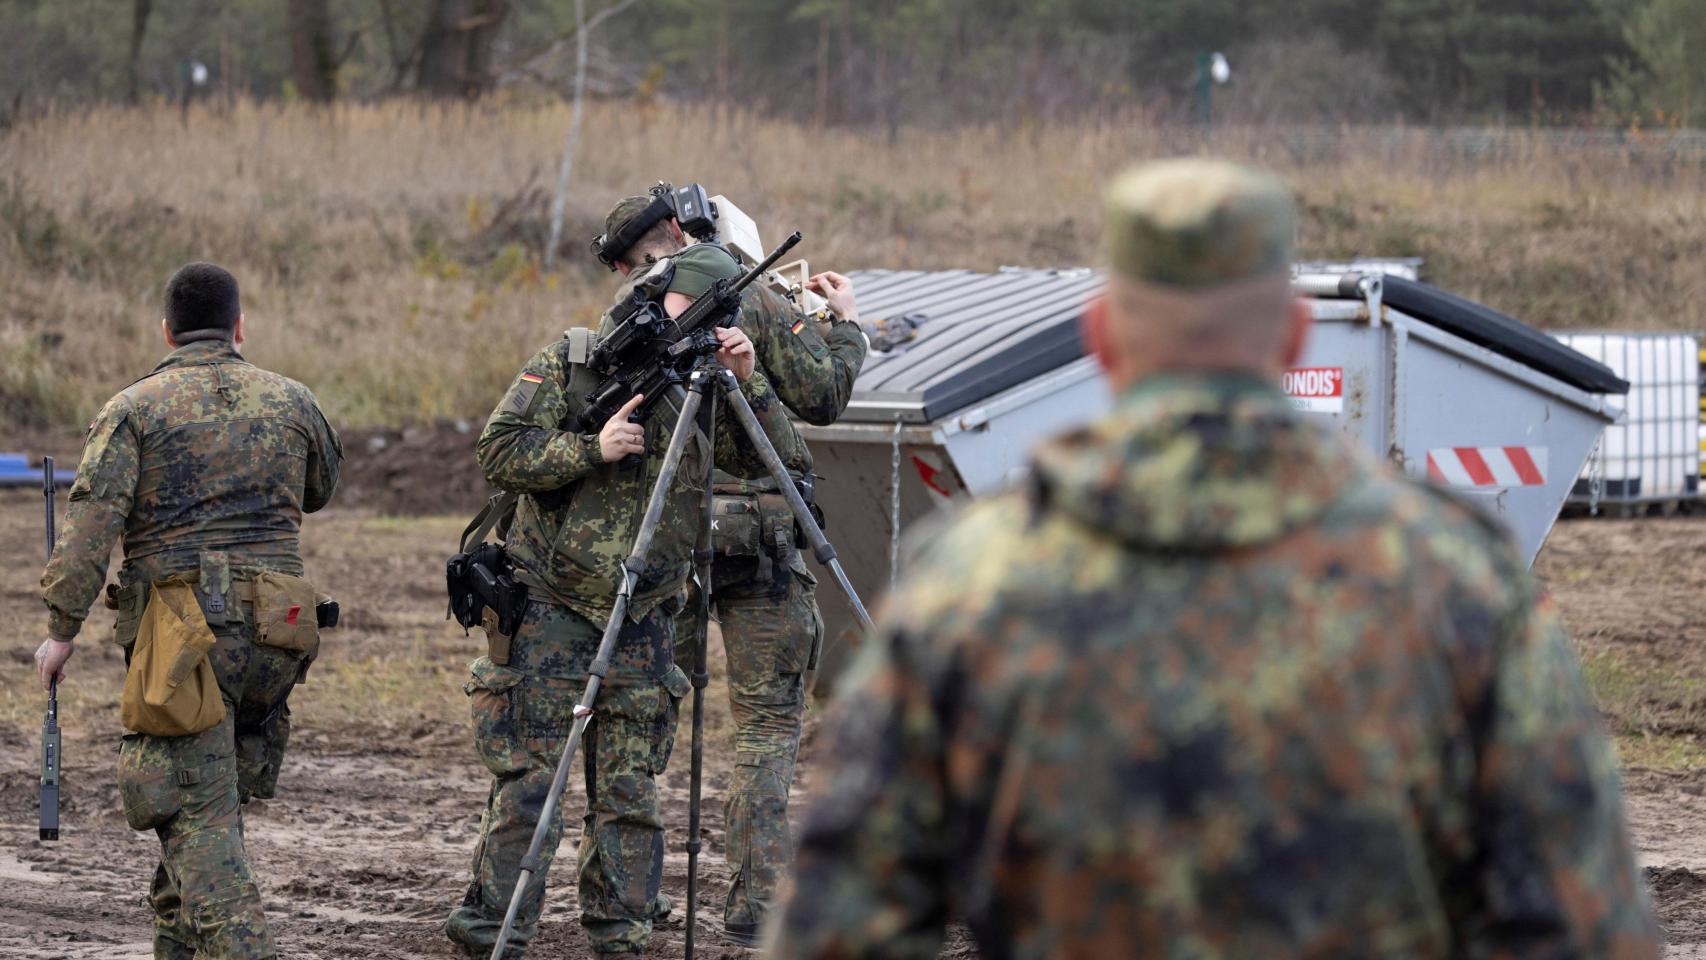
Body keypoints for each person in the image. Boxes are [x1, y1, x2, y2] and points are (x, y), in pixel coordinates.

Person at [766, 159, 1659, 959]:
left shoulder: (969, 586)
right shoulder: (1456, 579)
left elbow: (843, 928)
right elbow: (1585, 928)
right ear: (1295, 336)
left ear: (1105, 338)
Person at [445, 243, 809, 958]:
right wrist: (592, 449)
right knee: (529, 786)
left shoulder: (708, 387)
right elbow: (499, 450)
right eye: (693, 304)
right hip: (551, 606)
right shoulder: (577, 359)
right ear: (662, 297)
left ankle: (622, 934)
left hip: (645, 613)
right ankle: (494, 927)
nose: (703, 321)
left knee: (631, 792)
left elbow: (780, 459)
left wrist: (749, 380)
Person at [37, 261, 343, 960]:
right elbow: (319, 487)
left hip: (182, 639)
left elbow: (92, 526)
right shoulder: (294, 401)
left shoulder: (134, 408)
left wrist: (61, 630)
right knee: (208, 802)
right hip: (279, 632)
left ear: (166, 331)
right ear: (240, 327)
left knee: (194, 810)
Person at [600, 193, 867, 946]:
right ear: (687, 232)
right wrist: (844, 324)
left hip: (664, 533)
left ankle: (626, 901)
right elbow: (824, 395)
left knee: (640, 718)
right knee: (766, 726)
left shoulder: (630, 316)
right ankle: (755, 905)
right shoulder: (746, 291)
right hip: (761, 537)